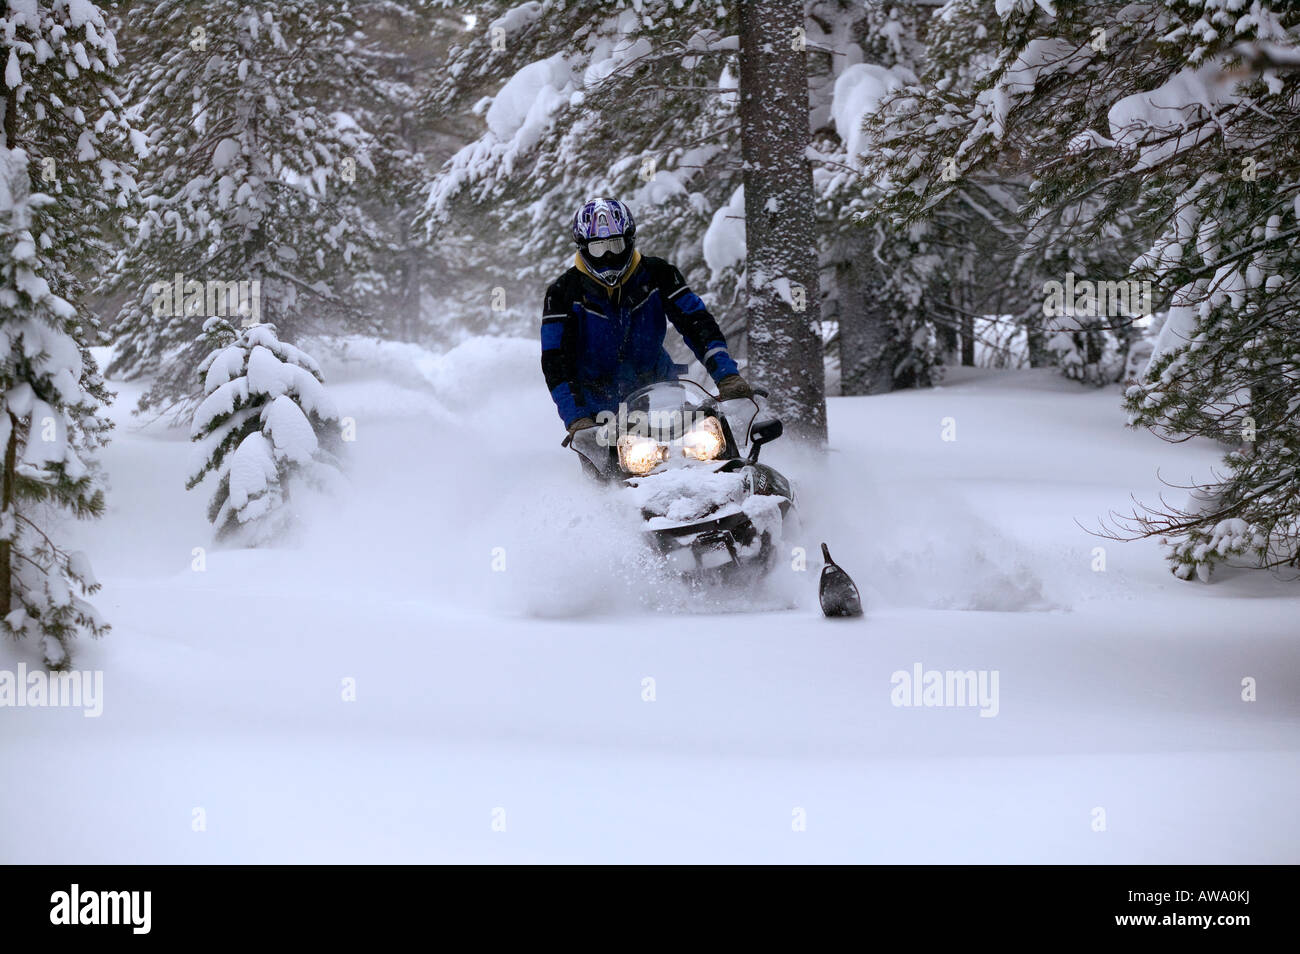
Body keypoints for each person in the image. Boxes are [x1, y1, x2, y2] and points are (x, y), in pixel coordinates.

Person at [541, 197, 752, 446]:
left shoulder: (658, 274)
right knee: (610, 475)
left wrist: (727, 376)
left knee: (708, 445)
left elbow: (697, 324)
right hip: (597, 411)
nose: (608, 255)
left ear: (629, 241)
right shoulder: (563, 293)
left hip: (661, 392)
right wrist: (576, 418)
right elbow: (555, 361)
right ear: (583, 248)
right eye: (599, 248)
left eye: (616, 245)